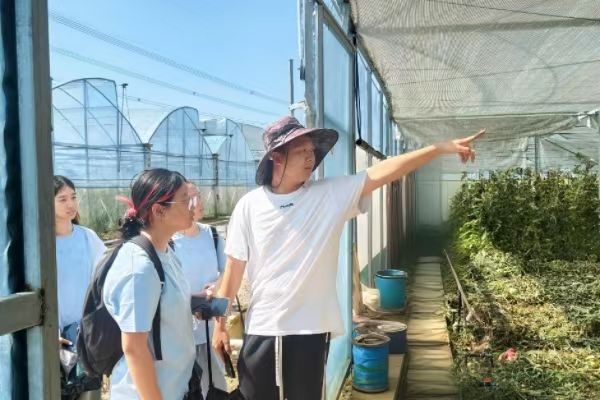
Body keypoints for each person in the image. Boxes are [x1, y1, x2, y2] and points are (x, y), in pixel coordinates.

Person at [213, 116, 484, 399]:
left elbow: (385, 171)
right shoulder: (249, 206)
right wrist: (220, 324)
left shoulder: (328, 195)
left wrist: (439, 148)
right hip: (264, 327)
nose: (311, 156)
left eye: (311, 149)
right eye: (301, 150)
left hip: (311, 329)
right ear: (276, 158)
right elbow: (233, 271)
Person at [103, 168, 197, 399]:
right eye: (185, 200)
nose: (193, 206)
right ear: (158, 210)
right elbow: (134, 349)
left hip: (174, 388)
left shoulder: (166, 252)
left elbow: (159, 304)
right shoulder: (139, 268)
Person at [173, 183, 228, 396]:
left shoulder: (212, 235)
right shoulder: (169, 242)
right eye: (192, 198)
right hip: (180, 333)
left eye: (199, 196)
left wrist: (217, 286)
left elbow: (227, 271)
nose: (199, 203)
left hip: (210, 328)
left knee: (215, 386)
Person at [54, 175, 106, 400]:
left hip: (87, 334)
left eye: (73, 197)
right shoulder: (41, 243)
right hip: (55, 337)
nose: (71, 204)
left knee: (90, 392)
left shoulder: (87, 237)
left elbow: (105, 279)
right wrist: (49, 333)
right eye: (62, 199)